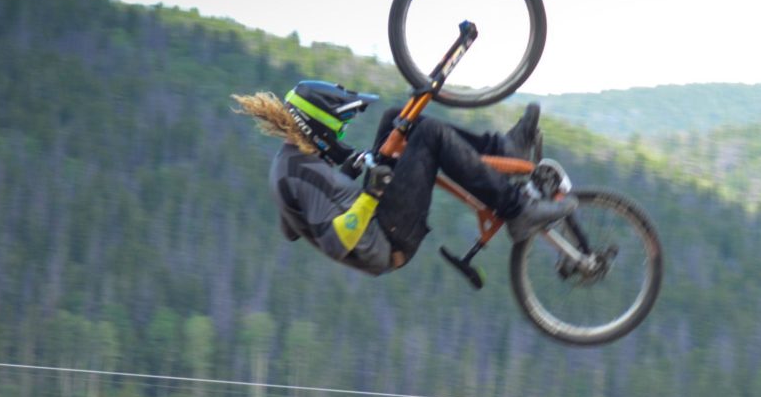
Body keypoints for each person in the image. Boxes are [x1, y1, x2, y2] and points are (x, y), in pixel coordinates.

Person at [236, 81, 574, 278]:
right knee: (428, 134)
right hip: (384, 241)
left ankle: (501, 148)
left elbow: (291, 228)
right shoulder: (301, 172)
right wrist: (368, 194)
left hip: (377, 225)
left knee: (397, 120)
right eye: (339, 127)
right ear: (318, 127)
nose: (342, 133)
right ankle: (517, 210)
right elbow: (336, 241)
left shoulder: (289, 165)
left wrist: (343, 175)